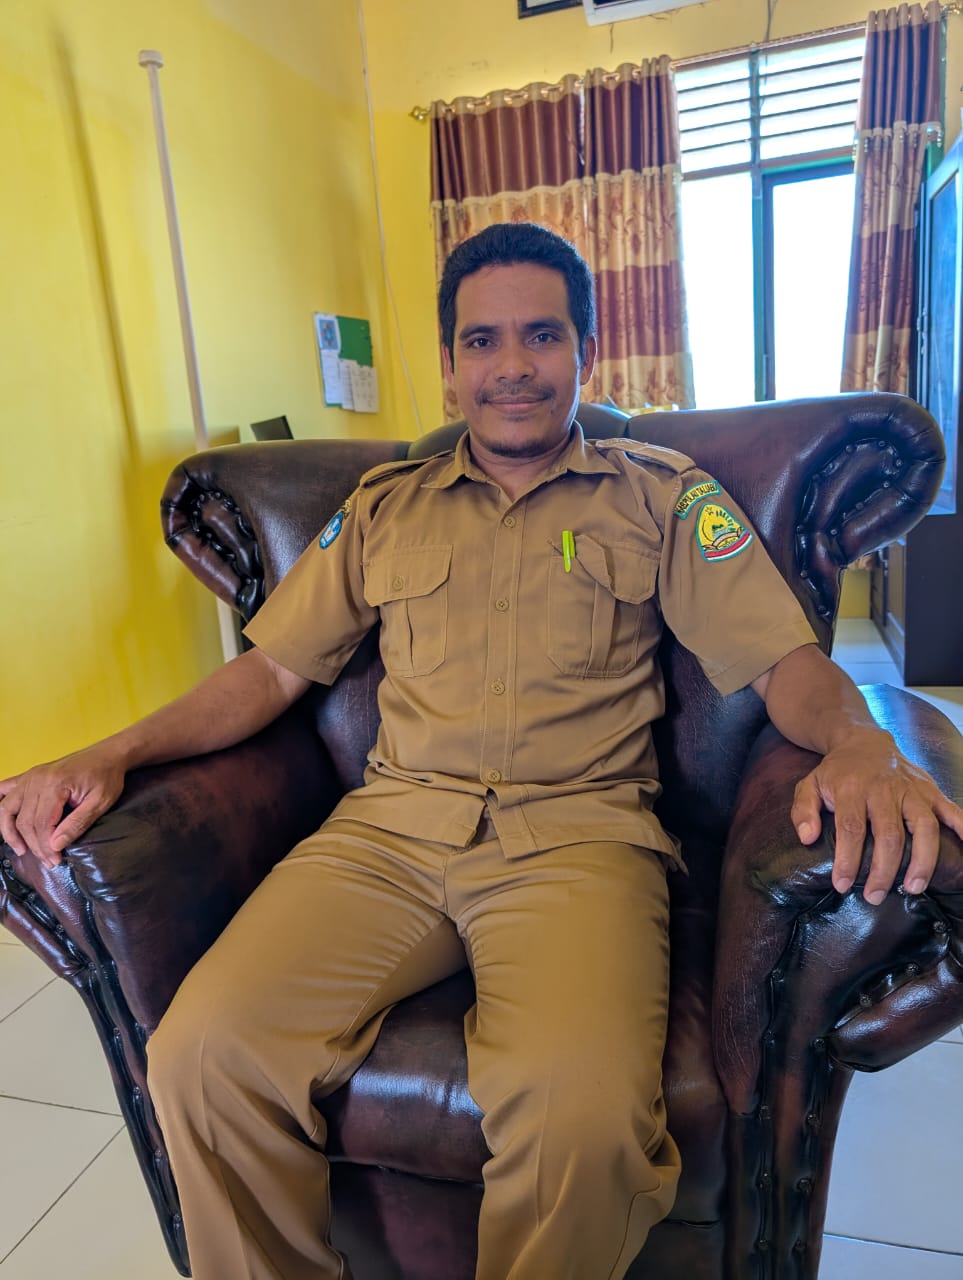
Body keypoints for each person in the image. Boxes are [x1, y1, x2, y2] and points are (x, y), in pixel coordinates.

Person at [1, 222, 961, 1280]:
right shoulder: (381, 509)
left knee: (581, 1119)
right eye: (482, 340)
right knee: (200, 1056)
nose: (513, 366)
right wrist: (113, 752)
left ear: (585, 349)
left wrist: (860, 742)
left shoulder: (662, 493)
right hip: (387, 835)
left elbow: (783, 661)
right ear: (450, 365)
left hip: (579, 839)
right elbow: (267, 673)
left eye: (542, 335)